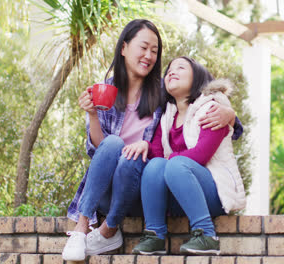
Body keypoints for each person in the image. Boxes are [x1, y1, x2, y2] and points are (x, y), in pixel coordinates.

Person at [62, 20, 243, 261]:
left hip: (143, 186)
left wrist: (230, 115)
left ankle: (111, 228)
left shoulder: (162, 92)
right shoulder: (107, 90)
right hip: (112, 187)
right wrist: (93, 114)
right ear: (124, 48)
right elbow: (98, 150)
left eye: (155, 51)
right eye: (143, 47)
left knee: (142, 161)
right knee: (115, 144)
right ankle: (82, 229)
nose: (149, 56)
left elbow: (209, 113)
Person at [128, 56, 246, 256]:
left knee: (174, 164)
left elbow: (201, 155)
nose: (171, 72)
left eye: (180, 67)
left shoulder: (213, 107)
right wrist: (144, 144)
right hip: (179, 191)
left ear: (197, 76)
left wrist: (171, 161)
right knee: (155, 165)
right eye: (169, 70)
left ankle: (207, 235)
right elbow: (157, 155)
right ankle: (155, 235)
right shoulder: (167, 115)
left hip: (214, 190)